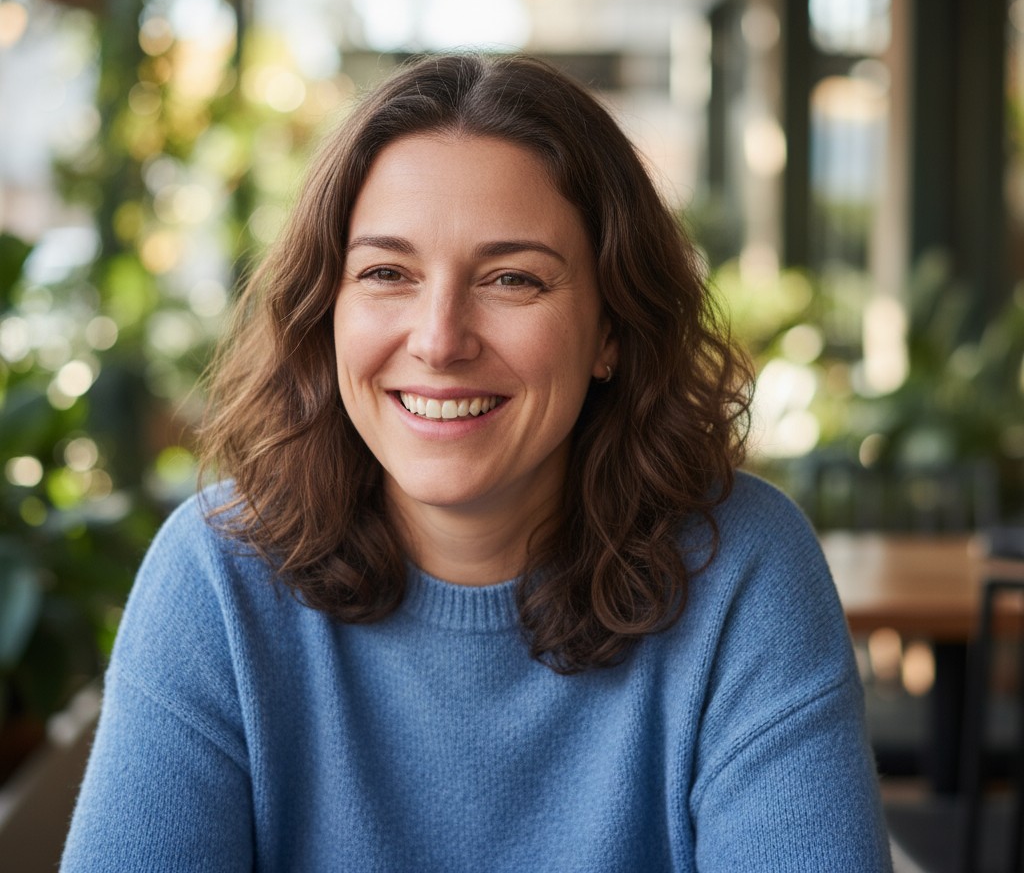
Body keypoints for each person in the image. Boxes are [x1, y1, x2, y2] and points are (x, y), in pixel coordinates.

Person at [62, 54, 893, 871]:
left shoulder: (740, 566)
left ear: (611, 329)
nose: (439, 339)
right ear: (328, 311)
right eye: (387, 272)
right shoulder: (218, 577)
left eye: (512, 280)